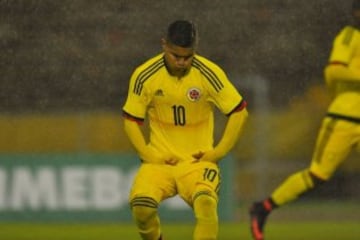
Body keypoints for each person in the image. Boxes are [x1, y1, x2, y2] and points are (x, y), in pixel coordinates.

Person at [122, 20, 248, 240]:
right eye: (175, 56)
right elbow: (130, 120)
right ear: (164, 45)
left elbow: (240, 112)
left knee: (206, 204)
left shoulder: (209, 73)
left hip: (197, 162)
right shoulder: (145, 75)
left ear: (195, 50)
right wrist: (148, 154)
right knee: (142, 208)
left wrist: (218, 153)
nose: (181, 62)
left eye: (187, 57)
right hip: (161, 161)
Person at [249, 1, 360, 240]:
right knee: (318, 174)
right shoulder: (350, 35)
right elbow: (334, 70)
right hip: (344, 118)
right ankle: (264, 207)